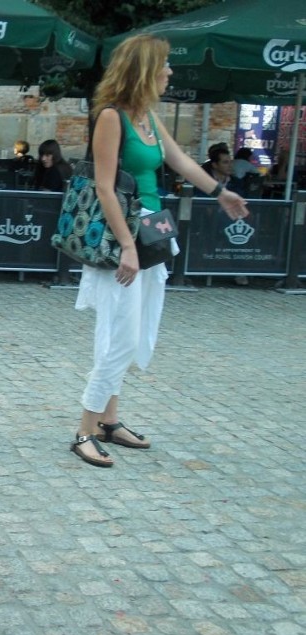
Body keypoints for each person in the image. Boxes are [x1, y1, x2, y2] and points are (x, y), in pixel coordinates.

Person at [69, 34, 249, 468]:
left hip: (150, 233)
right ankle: (84, 429)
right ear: (145, 70)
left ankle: (110, 421)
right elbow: (104, 188)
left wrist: (220, 192)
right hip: (123, 240)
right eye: (165, 66)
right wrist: (127, 246)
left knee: (140, 328)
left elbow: (181, 161)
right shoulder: (112, 117)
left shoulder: (147, 115)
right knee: (121, 334)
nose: (170, 72)